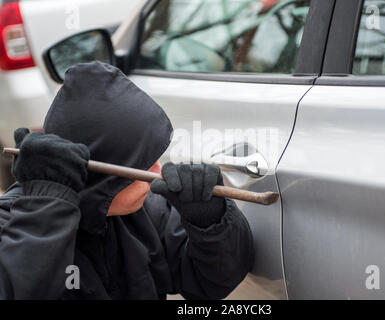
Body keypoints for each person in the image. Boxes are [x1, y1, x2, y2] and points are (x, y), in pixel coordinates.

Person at [0, 61, 254, 299]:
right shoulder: (14, 223)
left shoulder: (146, 213)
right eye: (141, 166)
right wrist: (45, 213)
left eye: (156, 158)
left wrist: (211, 223)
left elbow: (213, 283)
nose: (156, 173)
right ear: (99, 177)